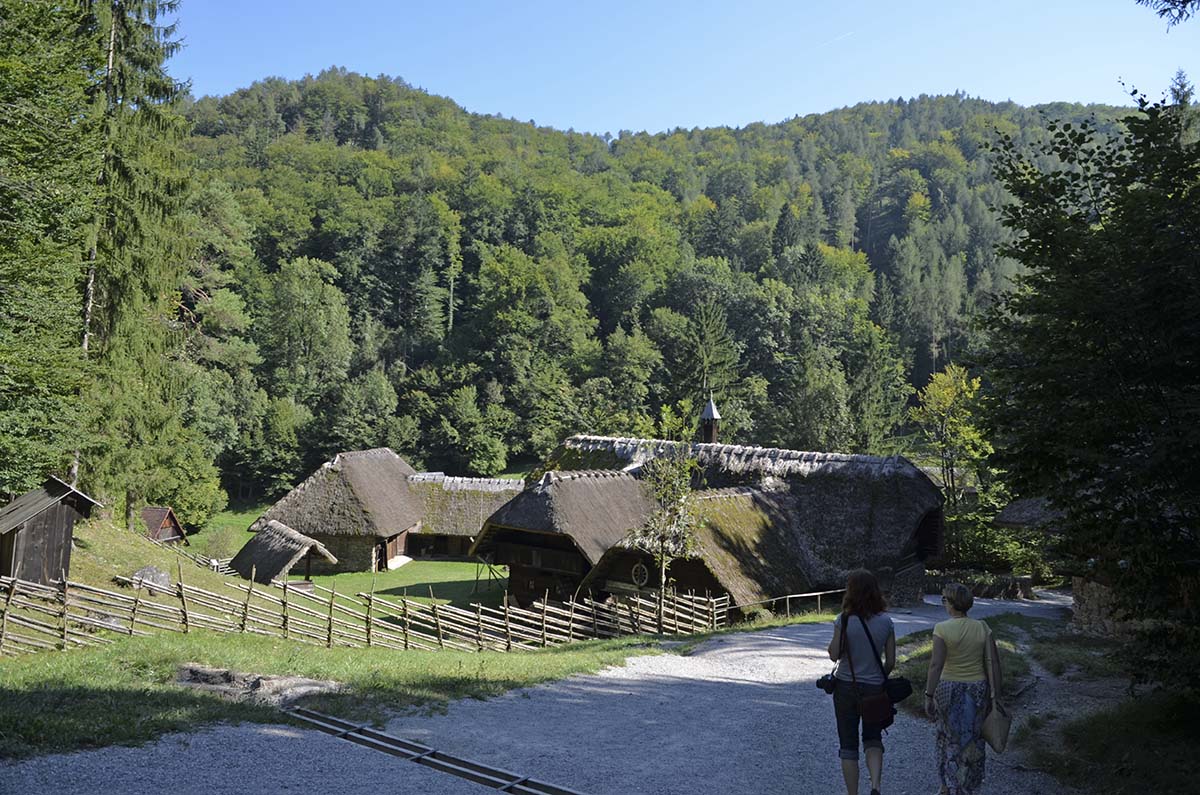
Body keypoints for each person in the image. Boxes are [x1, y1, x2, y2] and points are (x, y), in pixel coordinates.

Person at [923, 583, 1003, 795]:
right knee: (973, 737)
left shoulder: (942, 629)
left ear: (951, 603)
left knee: (946, 736)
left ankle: (947, 784)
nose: (943, 603)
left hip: (948, 687)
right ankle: (968, 785)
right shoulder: (983, 627)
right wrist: (996, 693)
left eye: (944, 599)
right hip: (977, 688)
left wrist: (928, 694)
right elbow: (994, 662)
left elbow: (936, 665)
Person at [827, 568, 896, 795]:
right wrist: (879, 677)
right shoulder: (886, 622)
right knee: (873, 738)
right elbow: (891, 661)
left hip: (846, 686)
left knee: (848, 745)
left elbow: (834, 655)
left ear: (851, 591)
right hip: (875, 689)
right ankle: (875, 785)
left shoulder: (844, 620)